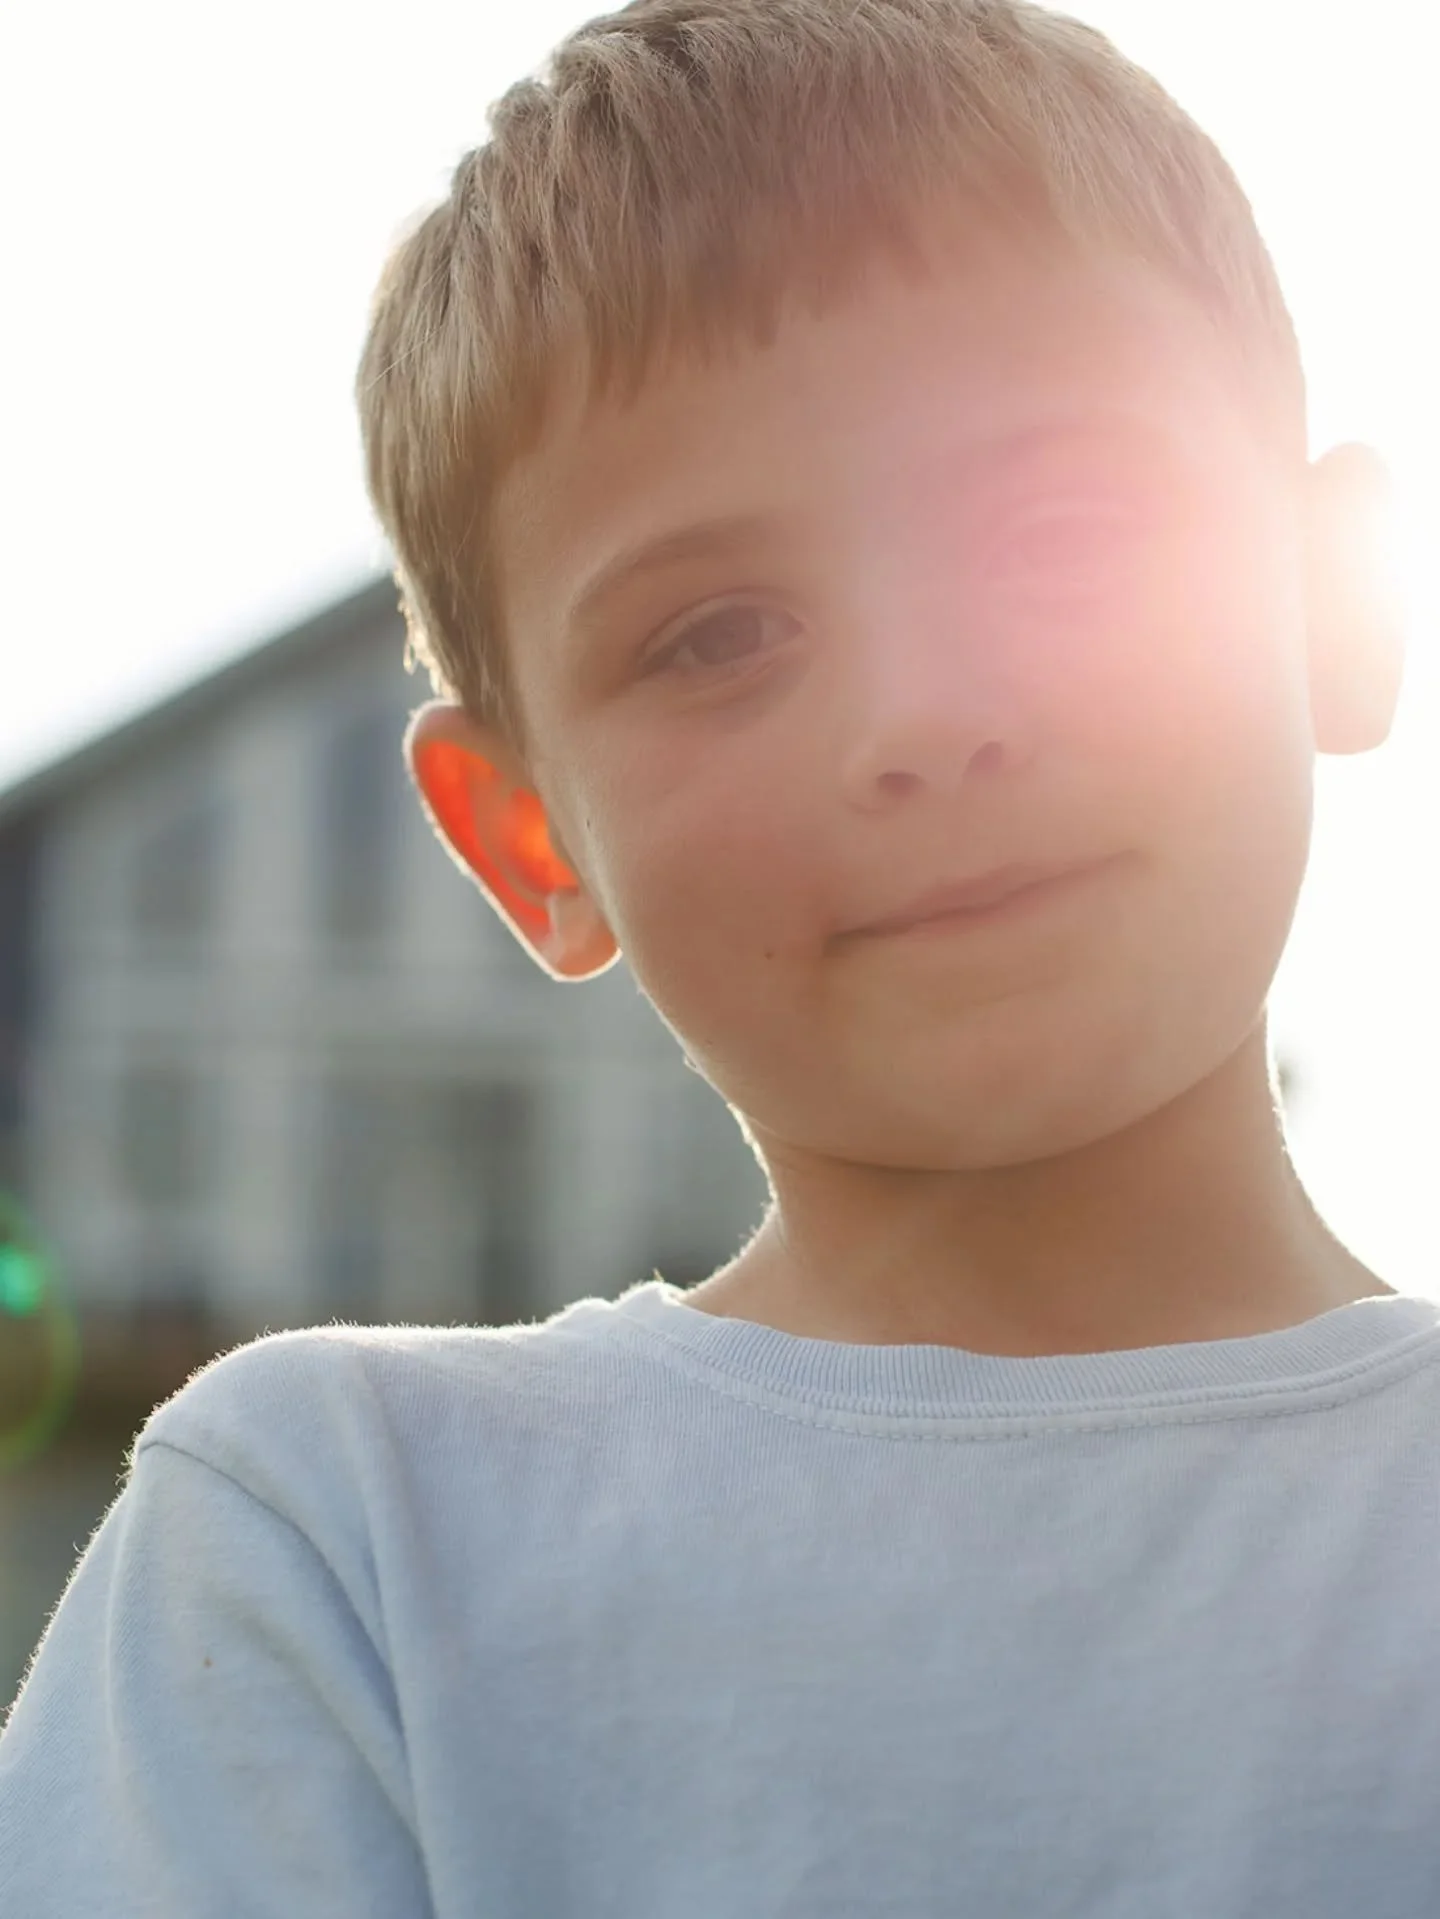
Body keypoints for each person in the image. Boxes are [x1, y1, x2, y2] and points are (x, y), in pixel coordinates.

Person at [0, 0, 1424, 1910]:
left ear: (1338, 601)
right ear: (531, 841)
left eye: (1067, 532)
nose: (928, 712)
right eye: (720, 633)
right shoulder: (346, 1542)